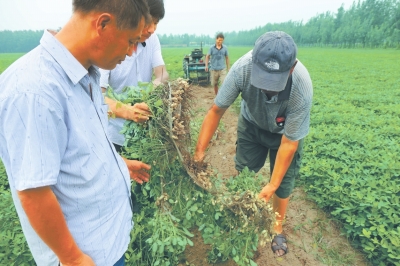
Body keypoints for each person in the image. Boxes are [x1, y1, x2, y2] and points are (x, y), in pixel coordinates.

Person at [0, 1, 152, 265]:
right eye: (130, 41)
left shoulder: (85, 73)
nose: (131, 52)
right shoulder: (35, 90)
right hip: (88, 257)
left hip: (108, 244)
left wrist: (118, 164)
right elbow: (33, 191)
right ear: (102, 24)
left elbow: (80, 145)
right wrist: (73, 258)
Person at [194, 31, 313, 257]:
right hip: (252, 125)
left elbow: (289, 143)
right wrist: (199, 154)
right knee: (244, 171)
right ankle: (241, 213)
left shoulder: (301, 86)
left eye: (274, 81)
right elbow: (216, 110)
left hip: (284, 135)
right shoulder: (242, 69)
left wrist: (271, 185)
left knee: (283, 183)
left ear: (291, 68)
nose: (268, 87)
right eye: (263, 78)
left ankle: (276, 226)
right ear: (254, 62)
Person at [99, 0, 168, 153]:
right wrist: (128, 111)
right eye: (149, 22)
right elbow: (97, 96)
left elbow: (162, 74)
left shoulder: (153, 40)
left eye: (156, 23)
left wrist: (150, 93)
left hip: (145, 131)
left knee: (142, 174)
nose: (152, 29)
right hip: (116, 132)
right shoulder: (110, 44)